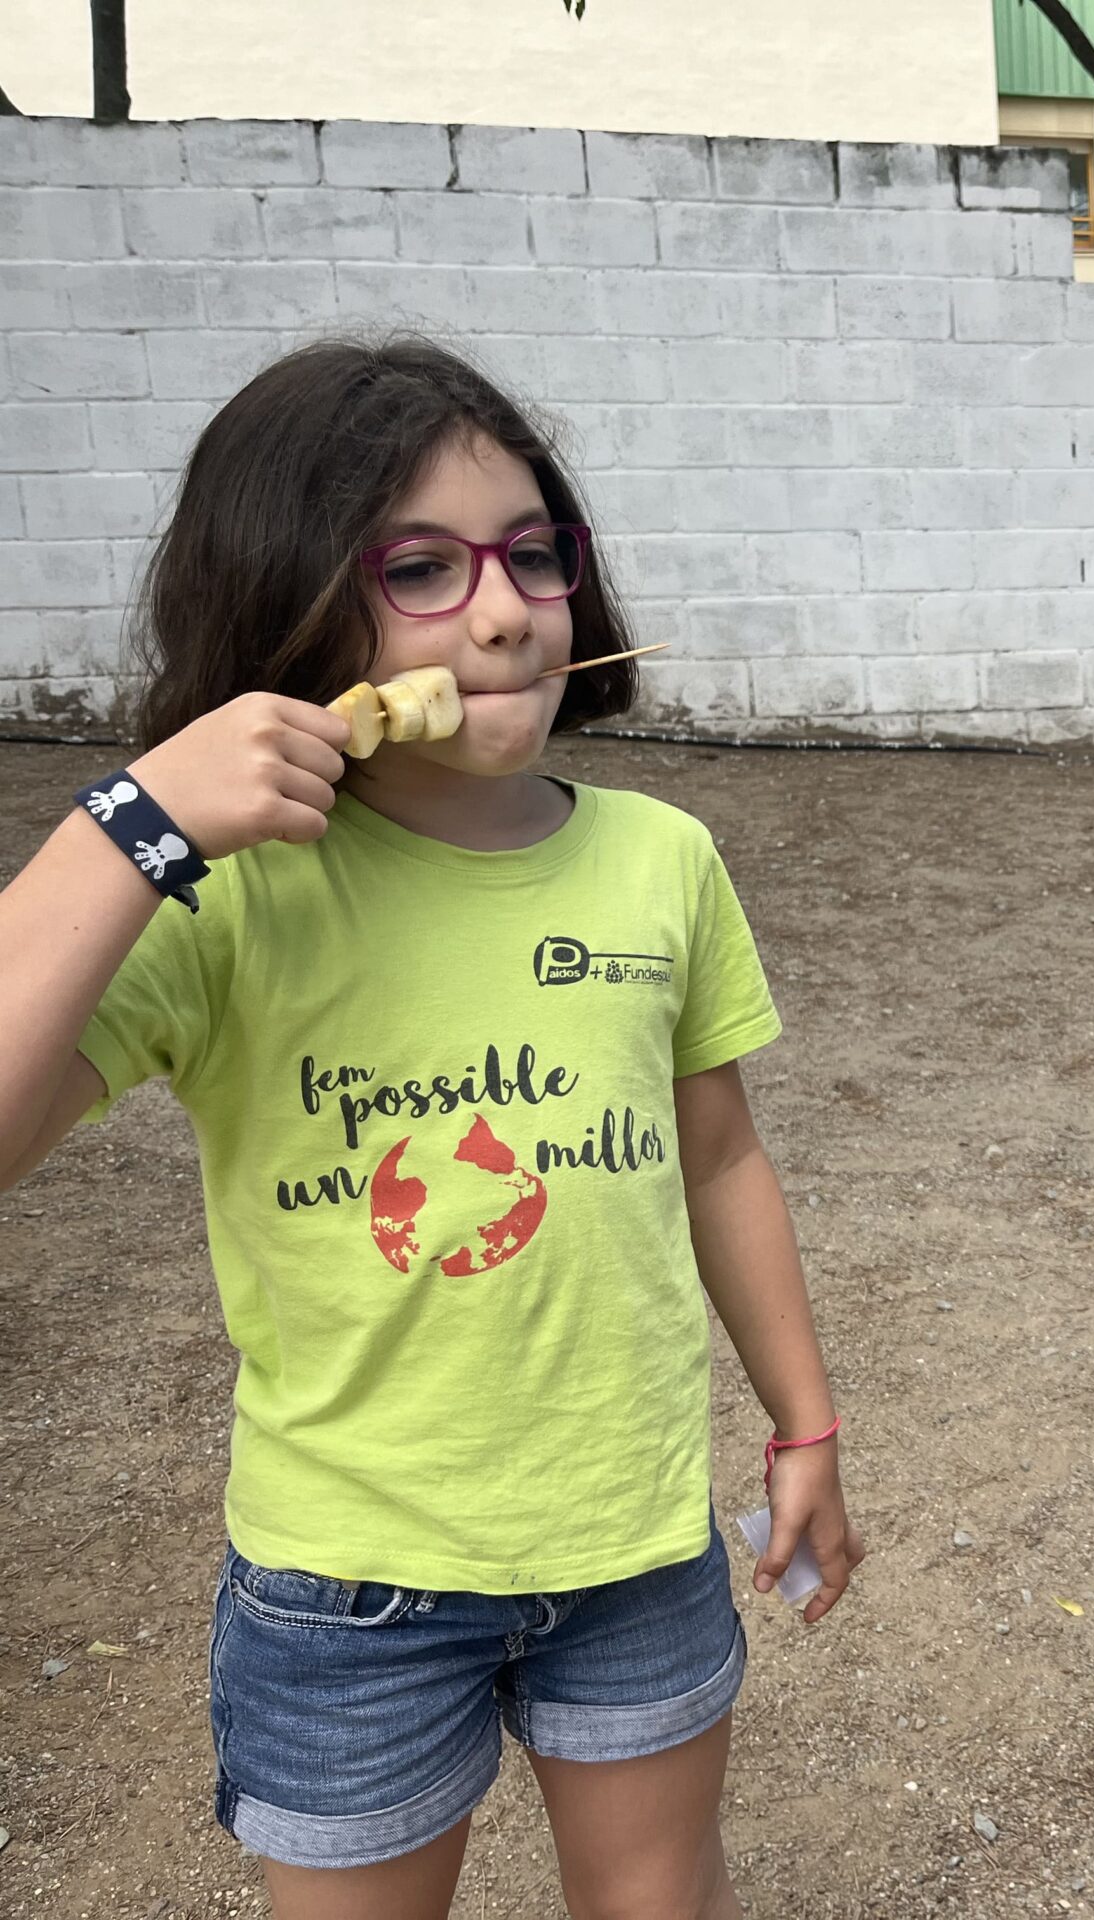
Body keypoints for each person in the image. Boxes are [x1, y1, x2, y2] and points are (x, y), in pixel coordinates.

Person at [0, 338, 861, 1918]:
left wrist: (804, 1423)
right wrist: (135, 822)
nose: (505, 609)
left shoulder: (661, 862)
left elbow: (721, 1155)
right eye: (419, 569)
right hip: (348, 1591)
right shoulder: (223, 902)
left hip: (634, 1541)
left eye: (532, 552)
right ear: (287, 605)